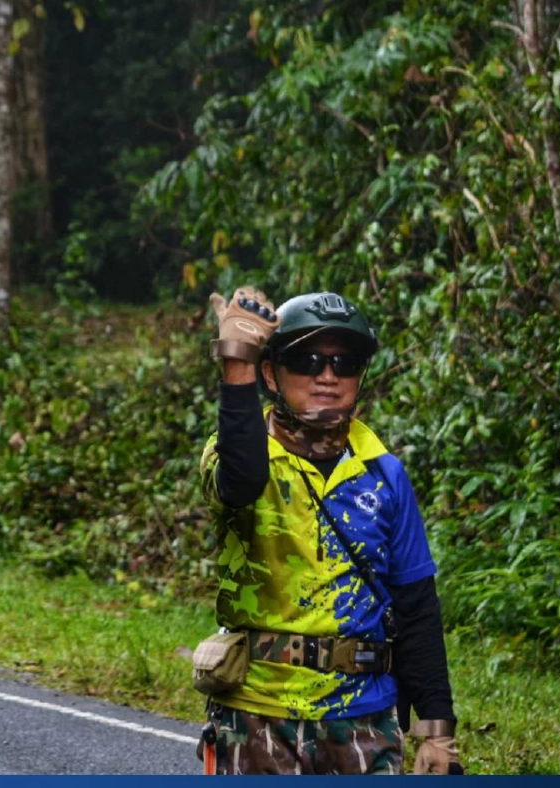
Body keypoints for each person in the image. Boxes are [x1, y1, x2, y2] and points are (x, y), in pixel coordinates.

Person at [196, 285, 463, 775]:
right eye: (307, 360)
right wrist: (237, 366)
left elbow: (416, 606)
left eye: (345, 363)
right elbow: (240, 483)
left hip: (366, 721)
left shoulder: (384, 472)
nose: (326, 376)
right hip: (260, 714)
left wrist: (437, 732)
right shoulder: (239, 449)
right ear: (272, 373)